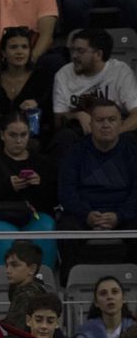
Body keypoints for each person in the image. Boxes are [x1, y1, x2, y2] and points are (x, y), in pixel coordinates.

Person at [56, 98, 137, 270]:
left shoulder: (133, 151)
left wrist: (119, 216)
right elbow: (67, 192)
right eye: (100, 120)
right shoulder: (75, 152)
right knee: (66, 228)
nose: (105, 125)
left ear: (120, 123)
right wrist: (87, 214)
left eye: (112, 120)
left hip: (125, 213)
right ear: (91, 124)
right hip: (84, 214)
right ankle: (70, 287)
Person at [0, 112, 59, 266]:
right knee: (3, 235)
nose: (19, 140)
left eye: (23, 135)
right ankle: (0, 286)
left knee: (46, 228)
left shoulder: (42, 161)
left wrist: (40, 184)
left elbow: (54, 199)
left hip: (34, 216)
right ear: (2, 135)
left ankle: (42, 284)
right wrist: (7, 185)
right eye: (12, 135)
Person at [53, 28, 137, 144]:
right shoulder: (63, 74)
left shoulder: (120, 72)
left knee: (130, 139)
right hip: (81, 132)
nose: (74, 56)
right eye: (73, 50)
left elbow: (136, 114)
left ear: (98, 54)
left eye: (80, 51)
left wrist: (112, 134)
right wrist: (76, 115)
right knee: (65, 137)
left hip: (116, 131)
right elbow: (58, 119)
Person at [73, 276, 137, 338]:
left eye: (115, 292)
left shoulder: (135, 330)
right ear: (96, 302)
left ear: (123, 298)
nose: (110, 297)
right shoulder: (85, 335)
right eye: (103, 293)